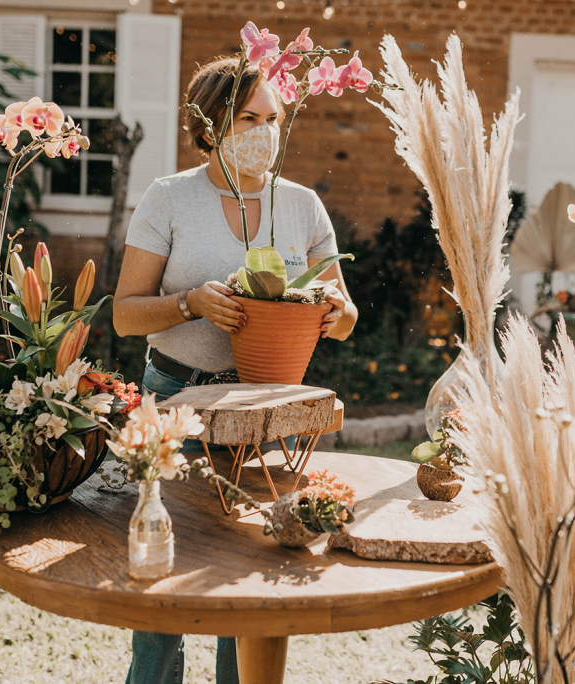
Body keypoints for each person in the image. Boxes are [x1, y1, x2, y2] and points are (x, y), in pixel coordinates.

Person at [112, 55, 359, 684]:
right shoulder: (168, 198)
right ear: (209, 123)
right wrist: (188, 303)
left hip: (263, 408)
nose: (266, 131)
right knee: (163, 571)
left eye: (272, 119)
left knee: (247, 576)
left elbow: (343, 304)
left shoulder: (301, 205)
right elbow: (123, 316)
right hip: (175, 400)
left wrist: (338, 314)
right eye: (250, 118)